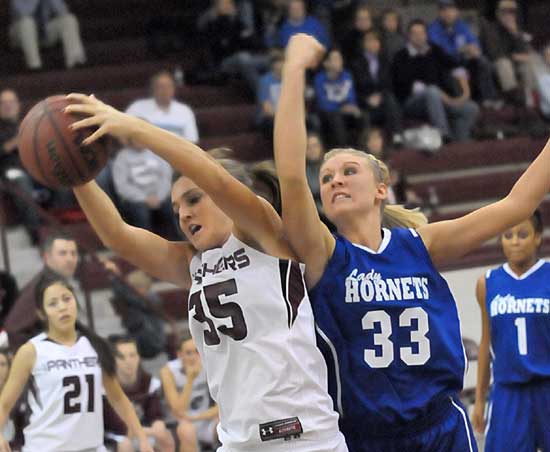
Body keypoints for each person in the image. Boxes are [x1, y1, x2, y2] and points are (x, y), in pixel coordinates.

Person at [274, 33, 550, 452]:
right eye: (327, 177)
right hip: (367, 436)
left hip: (441, 427)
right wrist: (293, 70)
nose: (335, 180)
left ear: (381, 189)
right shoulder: (324, 255)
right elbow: (293, 178)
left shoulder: (421, 245)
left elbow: (517, 205)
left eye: (349, 171)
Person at [65, 93, 348, 451]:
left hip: (302, 438)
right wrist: (75, 172)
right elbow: (117, 235)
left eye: (193, 199)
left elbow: (212, 176)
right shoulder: (192, 264)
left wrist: (134, 128)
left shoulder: (263, 235)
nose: (183, 214)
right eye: (176, 207)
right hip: (237, 440)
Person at [0, 277, 153, 452]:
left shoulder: (95, 346)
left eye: (67, 299)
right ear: (42, 313)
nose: (62, 307)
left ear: (75, 301)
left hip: (92, 447)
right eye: (53, 303)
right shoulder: (31, 351)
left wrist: (142, 438)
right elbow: (5, 403)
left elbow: (118, 398)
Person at [472, 211, 550, 452]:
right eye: (508, 235)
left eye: (523, 234)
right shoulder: (488, 282)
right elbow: (486, 343)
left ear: (538, 237)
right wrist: (479, 400)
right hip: (508, 391)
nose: (515, 241)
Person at [392, 19, 480, 142]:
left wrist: (462, 68)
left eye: (422, 33)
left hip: (440, 98)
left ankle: (460, 141)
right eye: (415, 33)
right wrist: (432, 91)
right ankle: (443, 134)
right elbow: (400, 84)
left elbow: (453, 65)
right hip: (412, 102)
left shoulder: (434, 50)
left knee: (471, 108)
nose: (419, 36)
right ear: (409, 36)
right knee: (432, 91)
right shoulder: (400, 56)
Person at [4, 232, 79, 350]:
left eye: (73, 253)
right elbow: (13, 328)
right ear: (46, 257)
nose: (70, 259)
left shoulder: (57, 283)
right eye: (62, 253)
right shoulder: (43, 286)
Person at [104, 336, 175, 452]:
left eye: (132, 355)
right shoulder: (106, 386)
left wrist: (158, 427)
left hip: (143, 430)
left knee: (166, 437)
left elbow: (155, 416)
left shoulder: (148, 382)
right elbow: (120, 428)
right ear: (112, 359)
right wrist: (151, 432)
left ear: (138, 357)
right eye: (122, 357)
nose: (128, 361)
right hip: (115, 436)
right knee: (125, 444)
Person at [428, 0, 500, 106]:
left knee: (482, 61)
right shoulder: (433, 29)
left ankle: (489, 99)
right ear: (439, 13)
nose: (448, 14)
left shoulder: (461, 25)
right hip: (447, 65)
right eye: (444, 11)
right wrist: (461, 50)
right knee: (457, 73)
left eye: (451, 10)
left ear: (456, 12)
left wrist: (474, 49)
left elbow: (473, 41)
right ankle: (467, 105)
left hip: (463, 60)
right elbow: (441, 52)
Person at [160, 335, 218, 452]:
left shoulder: (208, 364)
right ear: (179, 354)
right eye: (188, 353)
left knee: (226, 424)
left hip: (204, 418)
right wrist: (190, 380)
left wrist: (197, 417)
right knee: (187, 431)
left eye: (197, 351)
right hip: (180, 422)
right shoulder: (168, 371)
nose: (194, 357)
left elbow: (221, 407)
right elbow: (178, 410)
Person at [0, 88, 41, 243]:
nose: (8, 106)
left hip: (36, 167)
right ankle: (36, 234)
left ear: (18, 105)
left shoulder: (27, 123)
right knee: (21, 180)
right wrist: (13, 143)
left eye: (11, 102)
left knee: (59, 174)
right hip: (11, 170)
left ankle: (67, 221)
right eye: (3, 103)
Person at [480, 0, 537, 106]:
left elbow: (523, 51)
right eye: (504, 12)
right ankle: (514, 97)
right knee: (504, 64)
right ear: (498, 13)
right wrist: (514, 56)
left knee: (527, 64)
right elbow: (495, 54)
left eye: (511, 12)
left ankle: (530, 98)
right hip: (494, 63)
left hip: (512, 61)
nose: (508, 15)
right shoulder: (490, 28)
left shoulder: (515, 28)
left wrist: (515, 33)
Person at [350, 30, 403, 142]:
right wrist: (366, 99)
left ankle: (397, 137)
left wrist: (380, 96)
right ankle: (369, 144)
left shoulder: (385, 61)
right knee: (365, 115)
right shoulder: (356, 63)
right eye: (369, 40)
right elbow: (354, 88)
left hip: (383, 100)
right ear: (363, 43)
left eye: (375, 40)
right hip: (365, 103)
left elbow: (390, 85)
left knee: (391, 100)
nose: (373, 43)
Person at [9, 0, 86, 70]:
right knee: (27, 22)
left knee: (69, 19)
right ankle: (34, 65)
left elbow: (63, 11)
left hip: (45, 32)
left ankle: (76, 60)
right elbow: (23, 13)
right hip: (21, 34)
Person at [314, 48, 368, 148]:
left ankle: (363, 147)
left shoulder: (347, 75)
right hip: (329, 113)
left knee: (363, 115)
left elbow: (352, 97)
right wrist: (340, 108)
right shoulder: (320, 79)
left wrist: (352, 107)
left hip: (345, 109)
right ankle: (343, 148)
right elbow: (323, 103)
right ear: (326, 63)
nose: (339, 62)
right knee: (336, 117)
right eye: (335, 59)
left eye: (340, 59)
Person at [126, 71, 199, 144]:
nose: (165, 90)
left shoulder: (185, 111)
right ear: (153, 89)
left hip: (173, 153)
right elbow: (122, 133)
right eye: (161, 87)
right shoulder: (137, 107)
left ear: (174, 89)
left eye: (168, 86)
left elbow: (192, 141)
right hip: (142, 154)